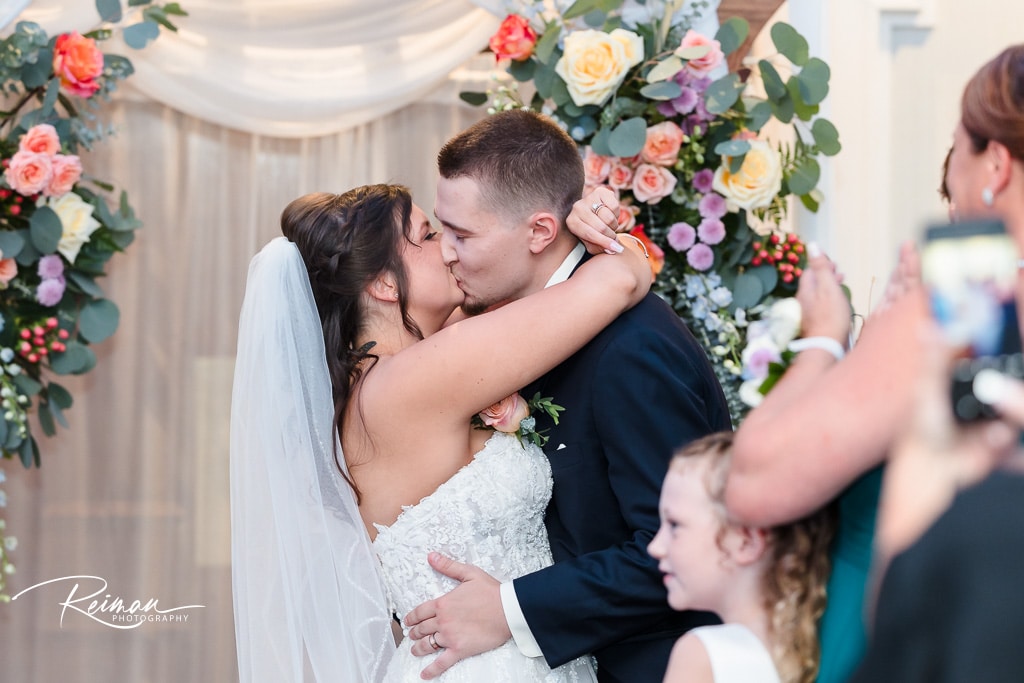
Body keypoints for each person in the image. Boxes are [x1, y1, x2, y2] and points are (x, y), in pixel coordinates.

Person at [230, 182, 654, 682]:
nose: (450, 248)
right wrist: (624, 247)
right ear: (385, 284)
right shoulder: (410, 383)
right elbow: (618, 284)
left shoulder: (381, 380)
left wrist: (584, 221)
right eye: (428, 235)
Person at [402, 110, 732, 683]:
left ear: (538, 232)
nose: (447, 253)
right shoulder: (518, 326)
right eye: (440, 229)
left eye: (463, 235)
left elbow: (681, 549)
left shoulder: (631, 351)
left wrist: (510, 610)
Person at [648, 432, 835, 683]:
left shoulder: (703, 655)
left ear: (747, 542)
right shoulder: (823, 645)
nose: (655, 547)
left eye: (674, 525)